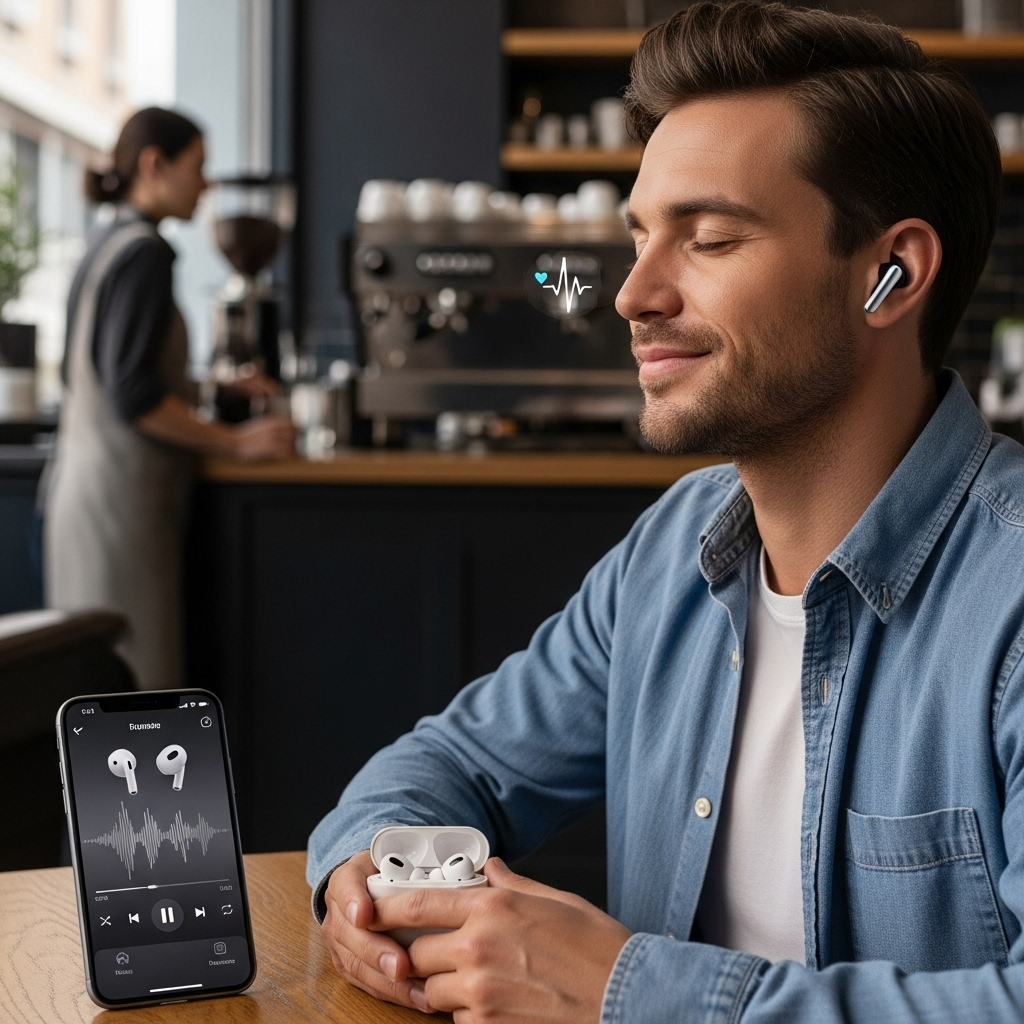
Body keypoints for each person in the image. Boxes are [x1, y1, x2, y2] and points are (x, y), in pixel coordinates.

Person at [306, 3, 1024, 1021]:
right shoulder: (671, 552)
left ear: (888, 274)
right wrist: (362, 875)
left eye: (712, 238)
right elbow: (445, 765)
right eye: (639, 238)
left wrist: (617, 985)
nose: (631, 294)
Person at [45, 108, 295, 692]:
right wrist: (238, 442)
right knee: (138, 696)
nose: (207, 186)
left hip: (79, 502)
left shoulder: (106, 242)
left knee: (99, 696)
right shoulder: (147, 254)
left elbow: (99, 376)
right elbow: (134, 398)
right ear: (155, 165)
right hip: (120, 512)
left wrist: (212, 390)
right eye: (199, 168)